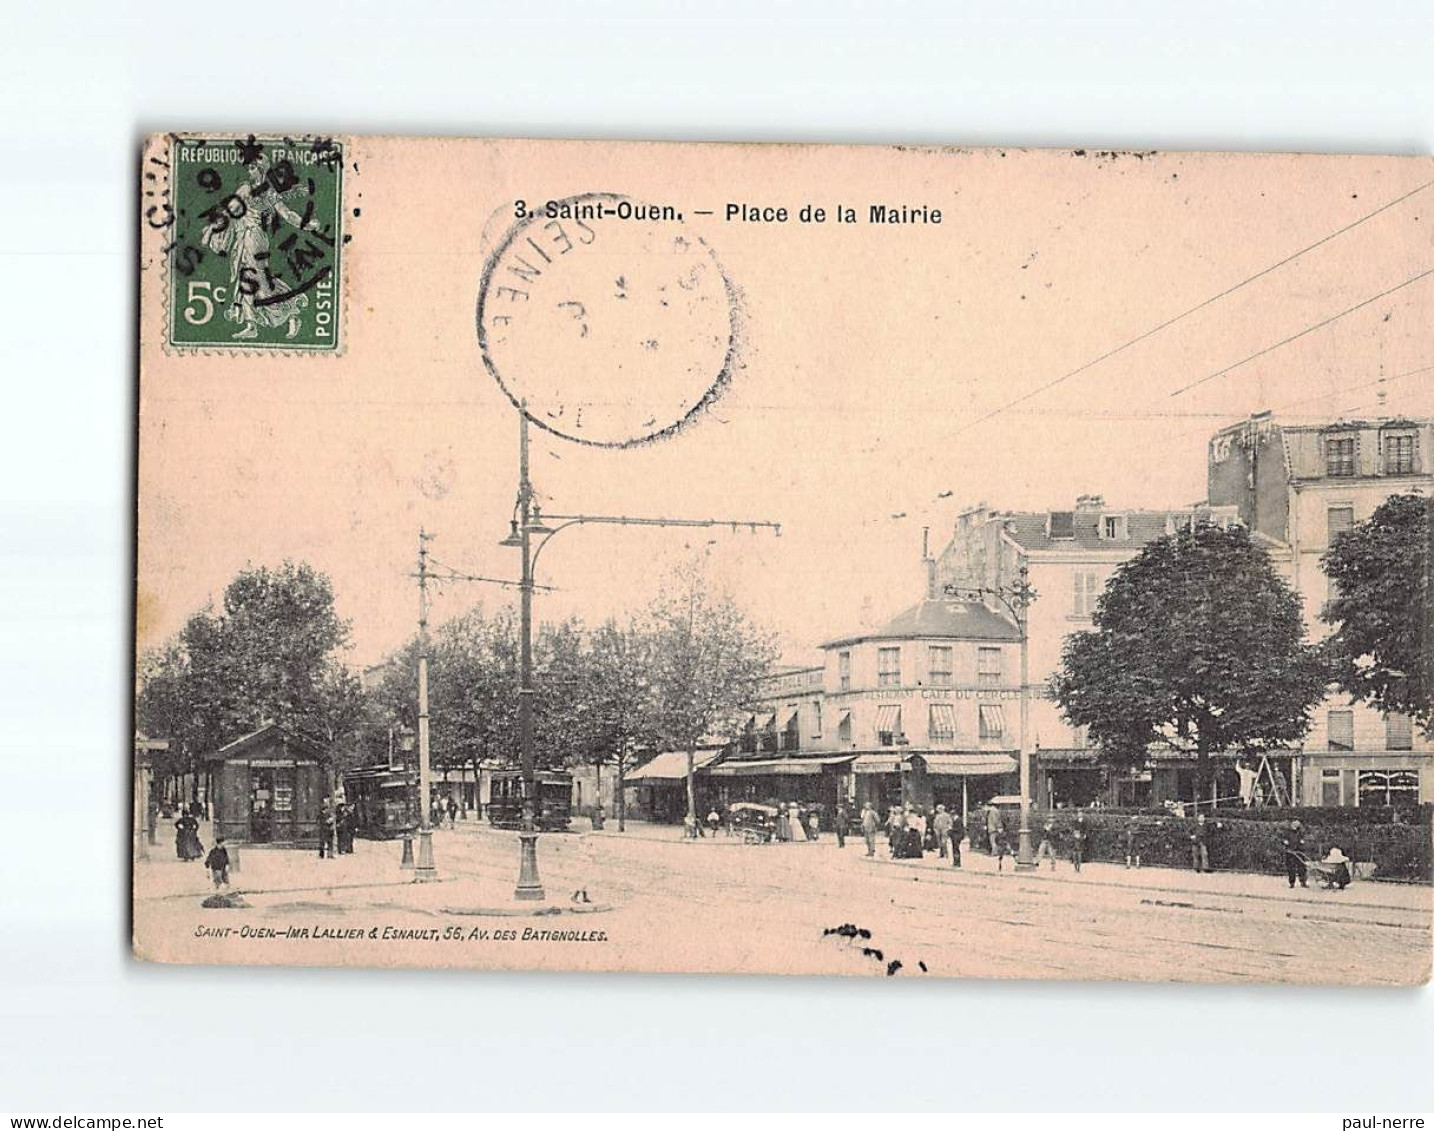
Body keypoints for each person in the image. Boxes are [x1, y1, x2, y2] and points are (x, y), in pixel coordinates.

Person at [1282, 820, 1308, 889]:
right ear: (1292, 824)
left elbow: (1303, 840)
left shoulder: (1300, 832)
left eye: (1298, 823)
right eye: (1295, 823)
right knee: (1291, 868)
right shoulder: (1287, 832)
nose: (1297, 824)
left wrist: (1302, 843)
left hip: (1299, 851)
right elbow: (1284, 840)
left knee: (1302, 867)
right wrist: (1285, 843)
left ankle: (1303, 882)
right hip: (1290, 852)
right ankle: (1292, 883)